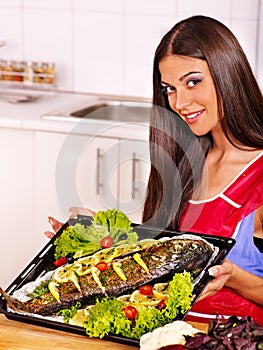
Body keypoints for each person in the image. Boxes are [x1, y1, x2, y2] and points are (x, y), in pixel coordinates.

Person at [46, 16, 263, 325]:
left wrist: (234, 277)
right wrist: (100, 238)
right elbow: (167, 253)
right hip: (163, 334)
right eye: (169, 89)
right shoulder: (186, 161)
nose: (180, 102)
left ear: (227, 73)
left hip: (232, 339)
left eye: (193, 82)